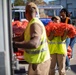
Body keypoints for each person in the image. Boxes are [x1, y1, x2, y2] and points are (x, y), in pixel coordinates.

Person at [13, 2, 50, 75]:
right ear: (36, 12)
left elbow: (35, 43)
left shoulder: (35, 24)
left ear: (26, 12)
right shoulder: (31, 23)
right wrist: (9, 40)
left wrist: (15, 44)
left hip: (40, 62)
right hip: (35, 61)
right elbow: (21, 38)